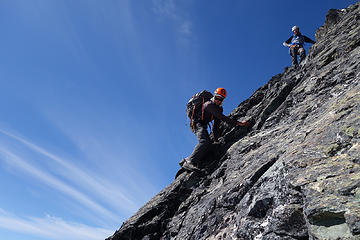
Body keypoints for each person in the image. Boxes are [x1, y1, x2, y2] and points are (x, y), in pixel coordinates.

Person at [181, 88, 252, 172]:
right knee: (204, 141)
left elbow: (216, 126)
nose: (218, 100)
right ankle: (189, 161)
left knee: (208, 144)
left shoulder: (219, 109)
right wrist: (239, 123)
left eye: (221, 99)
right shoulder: (208, 104)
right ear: (214, 96)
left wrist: (216, 140)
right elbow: (223, 118)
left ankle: (186, 161)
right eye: (217, 98)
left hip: (202, 125)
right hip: (197, 124)